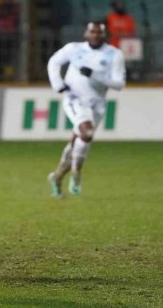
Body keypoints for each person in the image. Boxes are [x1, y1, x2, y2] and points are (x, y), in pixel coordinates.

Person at [46, 22, 125, 198]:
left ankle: (58, 176)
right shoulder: (73, 49)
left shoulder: (114, 54)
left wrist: (95, 75)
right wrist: (57, 84)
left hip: (97, 103)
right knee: (86, 132)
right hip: (74, 98)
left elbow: (119, 84)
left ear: (104, 35)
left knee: (78, 140)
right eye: (92, 31)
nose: (95, 35)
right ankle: (76, 174)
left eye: (99, 32)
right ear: (86, 33)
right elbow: (54, 62)